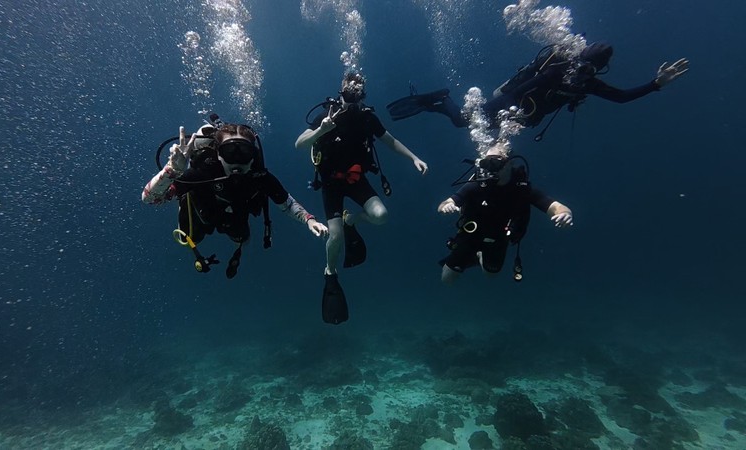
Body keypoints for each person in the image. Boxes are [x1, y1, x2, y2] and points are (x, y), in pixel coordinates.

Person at [295, 72, 429, 325]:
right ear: (340, 93)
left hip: (357, 180)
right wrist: (321, 130)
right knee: (334, 236)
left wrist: (414, 158)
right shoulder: (327, 115)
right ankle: (330, 271)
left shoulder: (367, 118)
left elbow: (390, 141)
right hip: (332, 184)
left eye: (357, 96)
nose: (352, 101)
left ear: (363, 96)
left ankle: (352, 221)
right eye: (348, 95)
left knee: (381, 216)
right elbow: (299, 144)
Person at [143, 120, 328, 279]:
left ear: (253, 156)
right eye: (230, 151)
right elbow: (150, 199)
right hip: (200, 214)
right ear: (218, 154)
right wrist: (171, 171)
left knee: (242, 237)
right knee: (193, 237)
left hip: (234, 217)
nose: (237, 161)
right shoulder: (202, 172)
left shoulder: (259, 176)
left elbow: (286, 203)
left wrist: (309, 220)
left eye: (244, 153)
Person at [387, 42, 689, 136]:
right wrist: (513, 115)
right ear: (576, 61)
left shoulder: (589, 83)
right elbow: (520, 91)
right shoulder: (556, 72)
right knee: (463, 121)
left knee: (468, 125)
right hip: (509, 103)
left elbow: (621, 98)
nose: (581, 74)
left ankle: (433, 103)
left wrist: (656, 84)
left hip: (523, 115)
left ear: (596, 71)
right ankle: (442, 96)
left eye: (589, 71)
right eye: (581, 67)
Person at [437, 141, 573, 285]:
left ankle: (479, 257)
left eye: (495, 162)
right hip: (471, 234)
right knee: (447, 279)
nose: (490, 168)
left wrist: (566, 214)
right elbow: (446, 203)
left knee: (491, 274)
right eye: (486, 162)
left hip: (499, 237)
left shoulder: (521, 189)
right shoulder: (477, 184)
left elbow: (556, 206)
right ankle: (474, 254)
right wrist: (447, 206)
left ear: (509, 163)